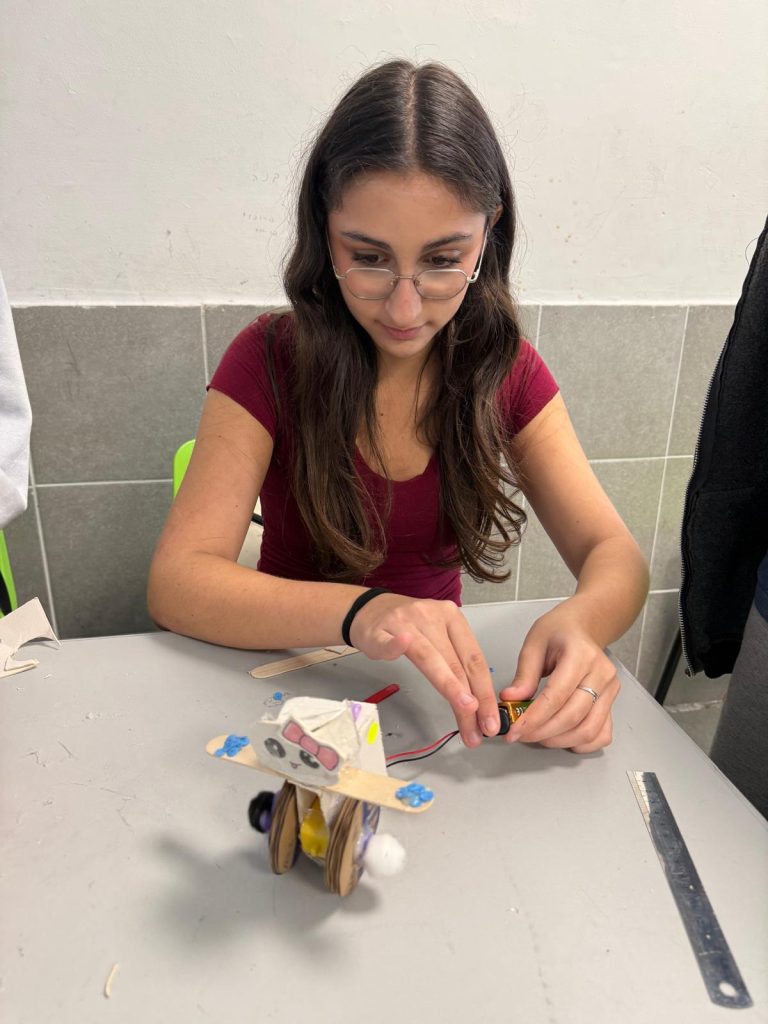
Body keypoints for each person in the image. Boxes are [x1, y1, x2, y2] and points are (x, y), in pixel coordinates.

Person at [148, 60, 649, 753]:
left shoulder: (503, 368)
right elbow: (176, 583)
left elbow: (615, 555)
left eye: (443, 260)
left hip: (431, 708)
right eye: (370, 258)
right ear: (325, 231)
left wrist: (580, 625)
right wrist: (363, 612)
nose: (406, 309)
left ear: (488, 234)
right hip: (285, 691)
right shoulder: (267, 359)